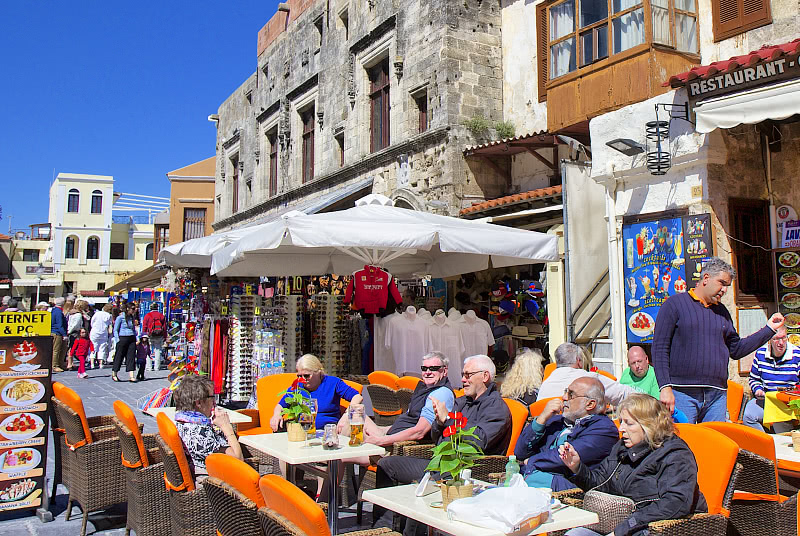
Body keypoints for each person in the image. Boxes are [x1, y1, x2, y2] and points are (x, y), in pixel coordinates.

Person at [375, 355, 512, 535]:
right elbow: (436, 436)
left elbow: (481, 440)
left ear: (485, 376)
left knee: (422, 487)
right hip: (440, 463)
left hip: (465, 469)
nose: (463, 379)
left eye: (468, 375)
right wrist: (439, 423)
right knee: (387, 464)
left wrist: (447, 418)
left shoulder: (496, 407)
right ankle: (384, 530)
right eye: (463, 374)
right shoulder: (462, 402)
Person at [653, 257, 784, 423]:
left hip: (717, 396)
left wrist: (769, 330)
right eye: (721, 283)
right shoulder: (674, 305)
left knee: (713, 446)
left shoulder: (722, 312)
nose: (724, 290)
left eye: (727, 286)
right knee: (684, 444)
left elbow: (737, 350)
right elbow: (659, 349)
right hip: (683, 393)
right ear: (706, 278)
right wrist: (665, 387)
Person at [559, 394, 707, 536]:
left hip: (655, 528)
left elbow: (676, 503)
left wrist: (625, 528)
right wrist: (577, 467)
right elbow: (601, 483)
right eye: (621, 421)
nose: (620, 428)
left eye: (628, 423)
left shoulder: (675, 454)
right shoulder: (623, 448)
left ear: (649, 425)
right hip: (620, 524)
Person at [344, 352, 455, 466]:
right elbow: (408, 419)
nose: (427, 372)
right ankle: (337, 449)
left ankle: (336, 450)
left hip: (397, 448)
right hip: (390, 438)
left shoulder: (440, 393)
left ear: (444, 371)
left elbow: (419, 432)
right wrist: (382, 430)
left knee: (339, 457)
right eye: (424, 368)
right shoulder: (423, 388)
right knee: (354, 414)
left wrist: (381, 440)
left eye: (433, 368)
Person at [516, 377, 618, 490]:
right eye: (565, 391)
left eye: (571, 395)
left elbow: (565, 457)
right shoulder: (557, 420)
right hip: (529, 480)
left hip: (562, 491)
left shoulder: (603, 429)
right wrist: (542, 419)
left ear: (590, 404)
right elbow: (520, 452)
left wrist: (531, 461)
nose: (564, 397)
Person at [269, 354, 363, 431]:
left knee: (359, 414)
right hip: (304, 431)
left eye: (306, 375)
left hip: (330, 430)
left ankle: (376, 441)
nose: (303, 379)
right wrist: (276, 415)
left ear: (318, 372)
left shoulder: (332, 382)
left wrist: (347, 415)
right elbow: (280, 405)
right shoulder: (298, 387)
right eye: (299, 376)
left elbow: (357, 397)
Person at [173, 374, 244, 476]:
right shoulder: (199, 432)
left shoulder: (182, 420)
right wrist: (226, 426)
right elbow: (238, 459)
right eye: (212, 397)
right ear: (199, 403)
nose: (214, 402)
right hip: (214, 483)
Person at [537, 343, 635, 405]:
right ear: (578, 360)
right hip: (579, 432)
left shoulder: (546, 384)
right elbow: (624, 394)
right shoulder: (587, 378)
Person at [744, 326, 800, 433]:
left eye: (783, 338)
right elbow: (754, 379)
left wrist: (792, 394)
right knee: (749, 415)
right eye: (776, 339)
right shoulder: (760, 354)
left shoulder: (797, 354)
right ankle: (764, 442)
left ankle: (780, 442)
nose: (781, 343)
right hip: (767, 400)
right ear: (769, 340)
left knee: (781, 426)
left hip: (789, 403)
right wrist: (758, 389)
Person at [112, 303, 138, 382]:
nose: (134, 310)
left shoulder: (132, 317)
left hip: (131, 338)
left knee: (131, 356)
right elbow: (115, 329)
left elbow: (133, 328)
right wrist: (117, 340)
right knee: (119, 356)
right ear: (127, 309)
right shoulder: (120, 318)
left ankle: (131, 375)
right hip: (122, 338)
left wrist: (136, 337)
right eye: (133, 309)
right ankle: (114, 373)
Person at [142, 302, 166, 371]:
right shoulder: (161, 315)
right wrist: (165, 336)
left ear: (150, 308)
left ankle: (149, 366)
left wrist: (144, 335)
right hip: (159, 335)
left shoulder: (147, 315)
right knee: (158, 350)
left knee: (148, 350)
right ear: (157, 308)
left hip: (150, 335)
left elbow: (144, 326)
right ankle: (157, 367)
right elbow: (164, 327)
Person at [67, 300, 91, 370]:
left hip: (72, 331)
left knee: (71, 348)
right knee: (72, 348)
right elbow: (75, 325)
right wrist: (70, 331)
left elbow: (88, 318)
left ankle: (70, 363)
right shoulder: (78, 315)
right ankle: (70, 364)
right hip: (75, 332)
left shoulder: (72, 313)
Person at [89, 303, 113, 369]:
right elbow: (109, 325)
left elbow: (92, 322)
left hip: (95, 332)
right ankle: (101, 363)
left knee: (93, 347)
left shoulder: (97, 313)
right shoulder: (109, 315)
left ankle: (92, 363)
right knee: (102, 348)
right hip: (104, 332)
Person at [51, 297, 69, 372]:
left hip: (58, 332)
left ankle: (60, 364)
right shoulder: (58, 312)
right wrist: (64, 334)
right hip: (57, 332)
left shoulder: (54, 310)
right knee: (56, 350)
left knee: (61, 350)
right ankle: (55, 365)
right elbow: (59, 324)